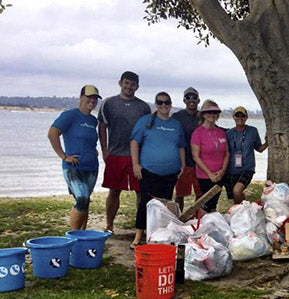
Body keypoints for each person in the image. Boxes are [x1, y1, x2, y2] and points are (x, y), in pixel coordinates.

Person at [129, 92, 186, 248]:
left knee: (164, 206)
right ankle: (138, 236)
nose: (163, 106)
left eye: (166, 102)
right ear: (156, 104)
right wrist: (135, 164)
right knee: (146, 204)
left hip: (170, 173)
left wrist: (182, 165)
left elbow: (181, 146)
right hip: (148, 171)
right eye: (160, 102)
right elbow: (134, 142)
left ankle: (159, 236)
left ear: (170, 104)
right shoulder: (145, 121)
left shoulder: (176, 124)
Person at [98, 71, 151, 233]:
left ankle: (141, 228)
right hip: (115, 154)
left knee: (141, 192)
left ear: (137, 87)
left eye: (133, 84)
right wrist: (105, 151)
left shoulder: (144, 107)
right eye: (126, 83)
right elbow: (102, 127)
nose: (129, 87)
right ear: (120, 83)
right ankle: (109, 225)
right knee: (114, 191)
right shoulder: (109, 103)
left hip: (138, 157)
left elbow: (148, 131)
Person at [47, 85, 101, 230]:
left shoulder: (92, 120)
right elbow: (52, 134)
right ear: (81, 97)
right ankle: (73, 235)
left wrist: (93, 149)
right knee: (82, 199)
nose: (92, 100)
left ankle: (82, 236)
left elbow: (88, 139)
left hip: (91, 167)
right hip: (73, 167)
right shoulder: (69, 115)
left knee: (85, 201)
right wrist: (63, 156)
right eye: (89, 97)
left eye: (95, 98)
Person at [191, 100, 229, 213]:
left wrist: (222, 171)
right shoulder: (198, 133)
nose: (212, 115)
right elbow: (196, 157)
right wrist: (210, 174)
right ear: (203, 114)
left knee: (213, 205)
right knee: (206, 204)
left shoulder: (221, 132)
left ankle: (210, 227)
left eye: (214, 112)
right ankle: (200, 226)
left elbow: (227, 153)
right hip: (205, 176)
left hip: (220, 175)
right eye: (209, 112)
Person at [224, 106, 268, 204]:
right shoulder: (228, 133)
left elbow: (259, 149)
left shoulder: (253, 131)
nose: (240, 118)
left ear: (246, 117)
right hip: (231, 170)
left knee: (237, 191)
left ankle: (243, 211)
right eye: (237, 115)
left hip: (247, 169)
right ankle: (243, 213)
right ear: (233, 117)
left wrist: (267, 142)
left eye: (242, 115)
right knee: (236, 197)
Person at [173, 87, 202, 211]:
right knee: (180, 194)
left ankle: (198, 219)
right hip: (183, 162)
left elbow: (215, 129)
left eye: (194, 97)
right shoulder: (177, 116)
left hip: (200, 162)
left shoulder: (203, 116)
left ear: (198, 100)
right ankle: (178, 219)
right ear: (184, 100)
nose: (191, 100)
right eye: (188, 97)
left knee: (200, 194)